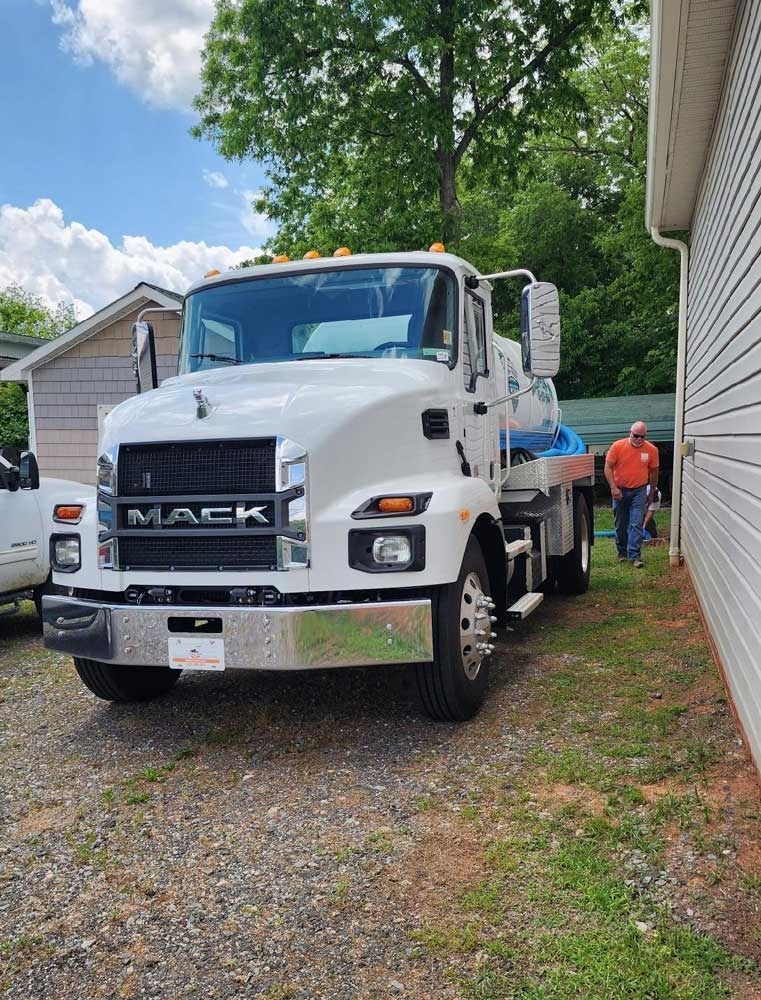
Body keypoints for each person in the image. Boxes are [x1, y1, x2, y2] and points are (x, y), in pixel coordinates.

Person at [604, 421, 659, 568]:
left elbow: (654, 473)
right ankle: (622, 552)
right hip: (620, 490)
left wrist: (651, 491)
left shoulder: (651, 450)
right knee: (621, 523)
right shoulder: (617, 446)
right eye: (636, 436)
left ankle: (635, 555)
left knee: (636, 523)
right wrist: (613, 488)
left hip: (639, 490)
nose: (639, 439)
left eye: (642, 436)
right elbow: (608, 467)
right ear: (630, 433)